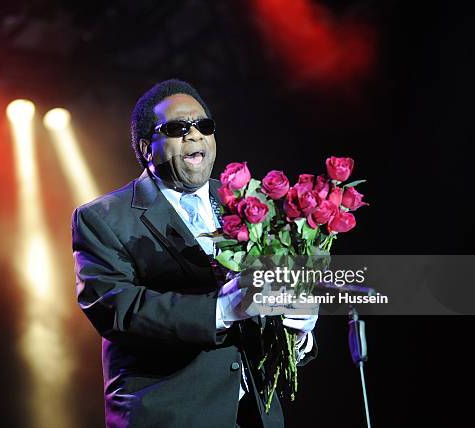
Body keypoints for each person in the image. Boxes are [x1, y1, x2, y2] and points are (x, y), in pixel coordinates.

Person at [72, 79, 318, 427]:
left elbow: (267, 304)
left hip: (255, 417)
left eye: (204, 125)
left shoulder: (249, 203)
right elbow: (119, 311)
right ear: (145, 148)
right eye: (177, 128)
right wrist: (222, 310)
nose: (194, 135)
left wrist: (298, 332)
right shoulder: (104, 218)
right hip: (170, 416)